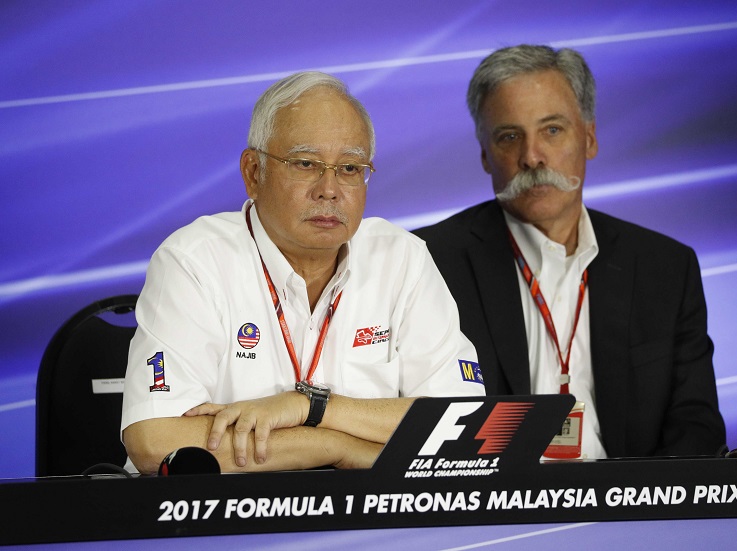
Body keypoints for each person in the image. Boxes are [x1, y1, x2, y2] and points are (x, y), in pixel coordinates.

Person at [121, 71, 484, 475]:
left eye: (350, 168)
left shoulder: (402, 259)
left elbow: (467, 424)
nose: (329, 189)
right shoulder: (195, 260)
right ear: (253, 172)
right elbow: (155, 441)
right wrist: (334, 447)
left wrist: (311, 407)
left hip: (363, 512)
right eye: (306, 163)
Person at [413, 45, 725, 459]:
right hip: (496, 497)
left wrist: (641, 495)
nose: (532, 157)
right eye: (509, 137)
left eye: (552, 130)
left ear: (589, 138)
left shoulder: (666, 267)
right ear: (485, 155)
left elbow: (696, 426)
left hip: (631, 494)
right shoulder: (428, 262)